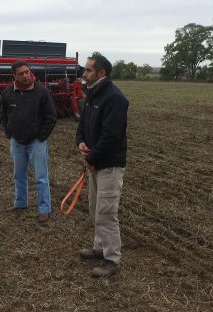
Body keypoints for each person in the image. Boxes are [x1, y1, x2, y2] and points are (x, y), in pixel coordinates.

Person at [75, 52, 129, 277]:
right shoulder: (91, 94)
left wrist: (92, 158)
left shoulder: (114, 98)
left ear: (101, 73)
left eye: (88, 70)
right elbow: (83, 124)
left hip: (109, 165)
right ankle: (99, 248)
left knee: (106, 213)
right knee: (95, 208)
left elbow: (111, 136)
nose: (84, 73)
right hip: (95, 162)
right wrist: (81, 142)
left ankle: (112, 259)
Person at [1, 60, 57, 221]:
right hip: (17, 141)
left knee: (41, 176)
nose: (25, 75)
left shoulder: (41, 91)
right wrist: (8, 131)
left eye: (27, 72)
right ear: (14, 76)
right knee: (18, 175)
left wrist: (40, 137)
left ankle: (44, 208)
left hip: (36, 142)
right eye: (21, 73)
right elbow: (3, 114)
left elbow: (51, 117)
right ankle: (20, 203)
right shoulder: (8, 92)